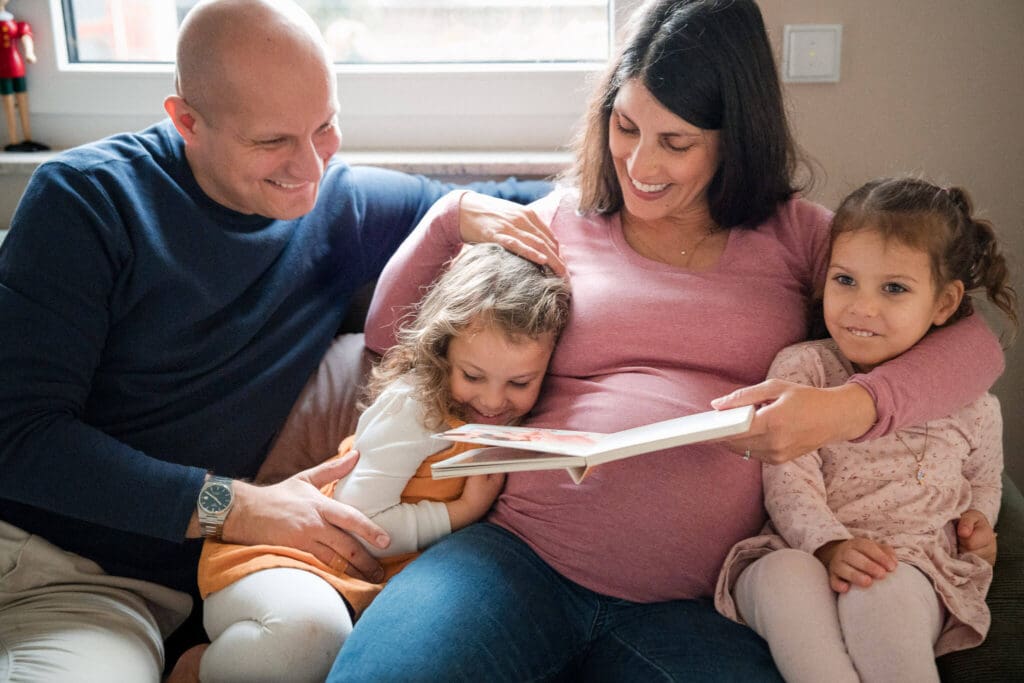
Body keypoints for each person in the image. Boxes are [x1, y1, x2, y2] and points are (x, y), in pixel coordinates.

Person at [328, 1, 1005, 680]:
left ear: (735, 138)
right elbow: (392, 336)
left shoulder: (801, 238)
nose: (639, 163)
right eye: (625, 127)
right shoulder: (558, 224)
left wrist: (845, 409)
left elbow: (976, 350)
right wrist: (449, 218)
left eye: (675, 142)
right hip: (518, 561)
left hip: (700, 606)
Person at [0, 0, 555, 680]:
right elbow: (18, 437)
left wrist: (462, 210)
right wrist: (236, 505)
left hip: (213, 584)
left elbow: (521, 204)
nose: (310, 166)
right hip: (54, 565)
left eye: (324, 125)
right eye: (272, 142)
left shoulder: (338, 208)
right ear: (186, 122)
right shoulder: (89, 203)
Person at [193, 243, 570, 682]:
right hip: (291, 559)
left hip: (366, 585)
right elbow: (362, 521)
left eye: (519, 382)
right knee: (309, 635)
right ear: (442, 350)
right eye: (472, 376)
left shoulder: (517, 415)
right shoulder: (416, 409)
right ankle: (198, 671)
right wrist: (461, 512)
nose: (492, 400)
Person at [714, 177, 1017, 682]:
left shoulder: (971, 401)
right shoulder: (805, 369)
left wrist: (978, 522)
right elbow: (788, 479)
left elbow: (984, 479)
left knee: (881, 589)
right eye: (845, 280)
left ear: (944, 304)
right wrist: (829, 546)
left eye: (894, 288)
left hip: (911, 561)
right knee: (784, 578)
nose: (861, 307)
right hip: (800, 547)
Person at [0, 0, 48, 151]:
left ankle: (27, 137)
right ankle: (14, 140)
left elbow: (25, 36)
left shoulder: (13, 22)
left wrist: (29, 52)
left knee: (22, 99)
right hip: (2, 67)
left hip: (16, 63)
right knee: (8, 101)